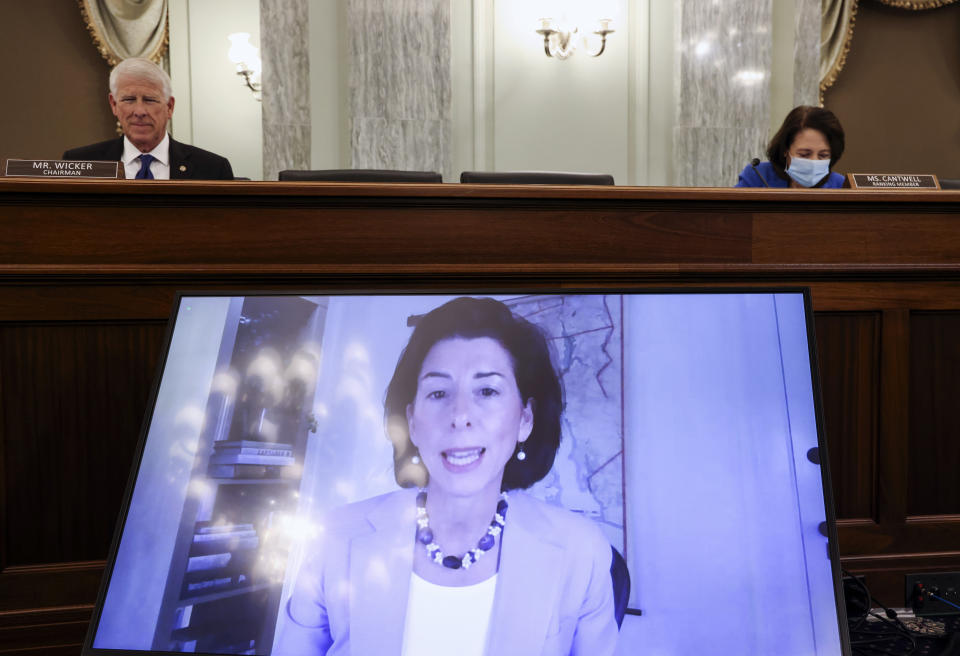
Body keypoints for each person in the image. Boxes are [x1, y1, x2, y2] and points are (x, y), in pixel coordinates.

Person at [277, 297, 619, 656]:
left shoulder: (582, 551)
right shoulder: (336, 539)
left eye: (487, 390)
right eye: (438, 392)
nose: (459, 415)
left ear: (525, 419)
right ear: (411, 420)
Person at [63, 58, 234, 180]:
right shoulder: (79, 163)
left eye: (150, 100)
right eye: (128, 100)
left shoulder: (213, 169)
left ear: (170, 107)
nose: (139, 111)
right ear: (114, 104)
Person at [736, 105, 845, 188]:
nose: (814, 161)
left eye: (823, 155)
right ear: (785, 149)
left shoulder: (841, 185)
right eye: (804, 154)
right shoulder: (757, 176)